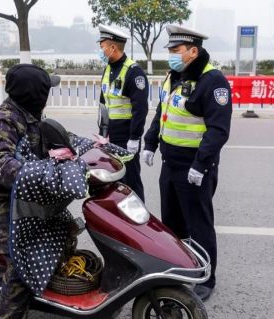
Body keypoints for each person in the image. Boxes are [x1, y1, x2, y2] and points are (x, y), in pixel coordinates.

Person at [141, 25, 232, 302]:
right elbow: (163, 112)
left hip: (194, 168)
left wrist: (200, 164)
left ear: (193, 51)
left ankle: (206, 278)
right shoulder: (174, 76)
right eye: (169, 50)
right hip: (170, 163)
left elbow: (218, 130)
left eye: (175, 51)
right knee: (172, 224)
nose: (171, 55)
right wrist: (150, 143)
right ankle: (180, 267)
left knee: (199, 225)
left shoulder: (212, 81)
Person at [0, 63, 61, 319]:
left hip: (29, 194)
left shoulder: (30, 114)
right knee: (21, 263)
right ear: (34, 93)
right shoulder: (4, 121)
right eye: (46, 89)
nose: (49, 93)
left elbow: (54, 142)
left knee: (65, 230)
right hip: (3, 199)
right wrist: (41, 174)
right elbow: (2, 165)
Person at [97, 24, 149, 202]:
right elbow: (104, 103)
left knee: (131, 181)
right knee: (115, 182)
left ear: (112, 47)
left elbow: (140, 109)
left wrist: (134, 138)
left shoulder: (133, 72)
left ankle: (140, 223)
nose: (100, 50)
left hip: (127, 136)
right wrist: (103, 134)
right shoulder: (108, 69)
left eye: (102, 46)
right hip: (110, 135)